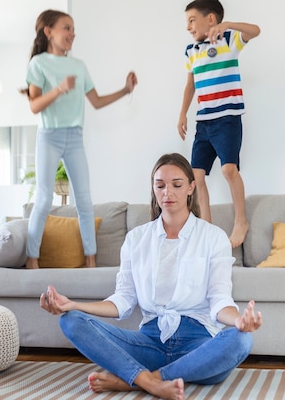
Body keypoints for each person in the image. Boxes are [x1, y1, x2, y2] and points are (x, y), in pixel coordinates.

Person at [40, 153, 262, 400]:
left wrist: (238, 321)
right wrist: (72, 305)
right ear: (153, 189)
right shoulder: (136, 239)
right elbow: (123, 300)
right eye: (160, 185)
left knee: (241, 340)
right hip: (148, 344)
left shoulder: (213, 237)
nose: (168, 192)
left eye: (177, 185)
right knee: (70, 321)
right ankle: (149, 379)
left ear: (191, 187)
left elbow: (219, 299)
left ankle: (139, 380)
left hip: (197, 346)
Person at [22, 9, 137, 269]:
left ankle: (90, 260)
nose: (72, 34)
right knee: (43, 198)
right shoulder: (38, 63)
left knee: (84, 200)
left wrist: (125, 90)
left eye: (73, 29)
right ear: (48, 31)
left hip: (74, 137)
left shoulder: (78, 66)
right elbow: (34, 106)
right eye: (67, 28)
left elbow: (95, 101)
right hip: (49, 136)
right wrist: (59, 89)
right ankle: (32, 259)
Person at [177, 0, 261, 248]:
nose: (188, 26)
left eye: (192, 20)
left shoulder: (228, 41)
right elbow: (190, 85)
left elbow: (256, 31)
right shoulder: (191, 51)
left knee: (228, 170)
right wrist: (182, 113)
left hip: (227, 119)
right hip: (204, 122)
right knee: (195, 177)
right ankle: (207, 228)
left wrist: (228, 25)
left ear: (210, 19)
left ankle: (241, 221)